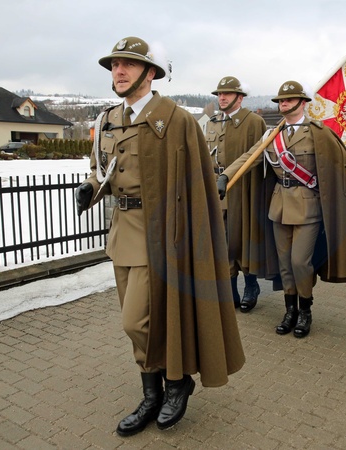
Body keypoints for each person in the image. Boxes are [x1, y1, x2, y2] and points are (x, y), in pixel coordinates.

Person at [74, 36, 245, 436]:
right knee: (139, 321)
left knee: (136, 321)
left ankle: (177, 381)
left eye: (128, 65)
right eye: (114, 65)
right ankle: (151, 395)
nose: (118, 71)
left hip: (160, 235)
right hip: (123, 233)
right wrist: (90, 186)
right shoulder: (108, 119)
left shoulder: (174, 119)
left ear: (150, 73)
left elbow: (197, 182)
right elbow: (103, 167)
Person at [217, 80, 346, 338]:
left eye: (289, 100)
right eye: (281, 101)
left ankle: (306, 309)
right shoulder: (272, 134)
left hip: (309, 206)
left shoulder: (317, 132)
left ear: (303, 102)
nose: (284, 104)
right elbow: (249, 157)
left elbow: (337, 169)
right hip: (279, 205)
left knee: (300, 262)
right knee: (285, 263)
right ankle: (290, 310)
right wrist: (226, 177)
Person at [205, 76, 267, 312]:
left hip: (243, 190)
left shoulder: (253, 122)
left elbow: (258, 157)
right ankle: (230, 290)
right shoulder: (213, 122)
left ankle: (251, 286)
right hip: (217, 190)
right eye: (219, 94)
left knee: (244, 240)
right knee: (222, 242)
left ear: (240, 98)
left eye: (227, 94)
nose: (221, 98)